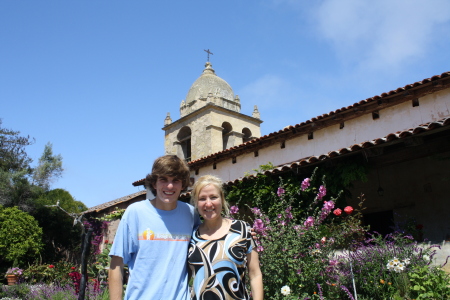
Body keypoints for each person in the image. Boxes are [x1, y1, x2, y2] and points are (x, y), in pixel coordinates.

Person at [109, 155, 201, 300]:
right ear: (154, 183)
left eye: (175, 180)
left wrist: (247, 234)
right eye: (163, 179)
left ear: (183, 185)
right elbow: (116, 264)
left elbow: (210, 238)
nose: (169, 186)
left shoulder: (190, 214)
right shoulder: (135, 213)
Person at [188, 175, 264, 300]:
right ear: (196, 203)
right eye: (202, 199)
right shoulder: (191, 236)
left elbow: (255, 274)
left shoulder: (242, 230)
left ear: (222, 199)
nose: (208, 203)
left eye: (213, 197)